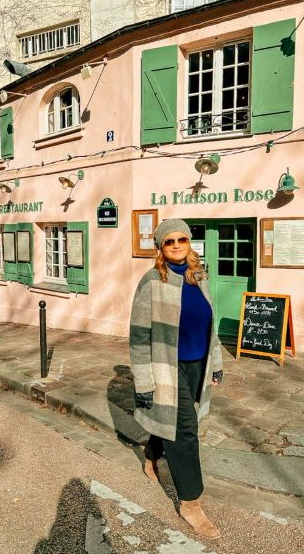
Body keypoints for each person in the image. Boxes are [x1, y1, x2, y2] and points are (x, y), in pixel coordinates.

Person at [129, 219, 223, 540]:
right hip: (168, 368)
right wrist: (144, 383)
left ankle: (152, 454)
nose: (177, 245)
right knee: (185, 430)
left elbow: (211, 323)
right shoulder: (152, 281)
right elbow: (139, 336)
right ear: (161, 247)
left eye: (182, 238)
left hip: (199, 362)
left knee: (172, 421)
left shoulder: (199, 275)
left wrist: (217, 362)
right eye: (169, 241)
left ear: (189, 242)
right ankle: (191, 503)